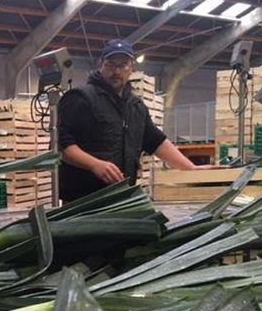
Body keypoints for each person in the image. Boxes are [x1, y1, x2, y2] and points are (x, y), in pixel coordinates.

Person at [58, 39, 212, 203]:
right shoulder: (81, 98)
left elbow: (156, 141)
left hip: (121, 198)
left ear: (132, 68)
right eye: (111, 64)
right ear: (101, 64)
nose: (116, 71)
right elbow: (63, 146)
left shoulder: (136, 106)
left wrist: (191, 169)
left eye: (123, 65)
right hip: (81, 200)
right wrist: (95, 164)